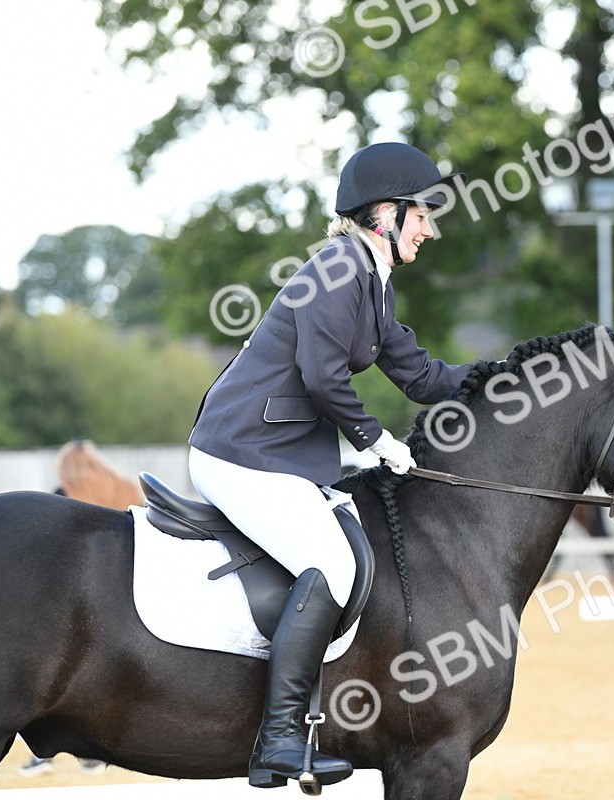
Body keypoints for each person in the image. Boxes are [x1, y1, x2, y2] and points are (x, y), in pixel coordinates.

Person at [186, 142, 471, 789]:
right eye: (423, 214)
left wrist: (504, 377)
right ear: (384, 215)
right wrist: (376, 440)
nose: (430, 228)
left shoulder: (371, 280)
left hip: (282, 453)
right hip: (242, 452)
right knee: (334, 565)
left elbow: (423, 376)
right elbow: (320, 376)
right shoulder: (338, 268)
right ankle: (280, 738)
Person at [19, 439, 135, 776]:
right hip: (125, 596)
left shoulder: (62, 493)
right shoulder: (124, 488)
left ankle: (43, 754)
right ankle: (93, 752)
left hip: (73, 596)